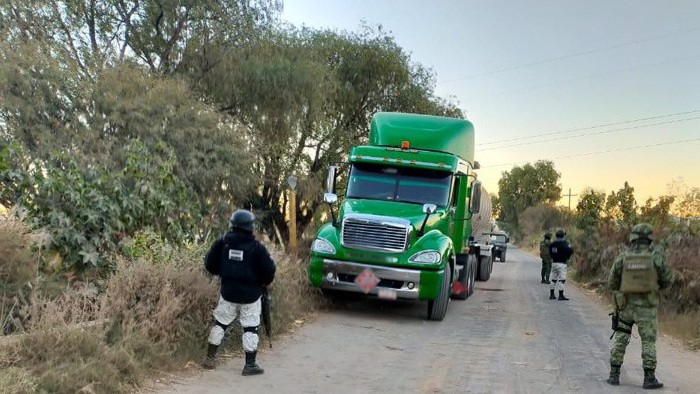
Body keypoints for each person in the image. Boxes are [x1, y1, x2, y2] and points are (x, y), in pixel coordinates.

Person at [202, 209, 276, 376]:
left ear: (232, 225)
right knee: (251, 328)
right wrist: (264, 282)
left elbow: (209, 264)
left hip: (228, 293)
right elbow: (270, 270)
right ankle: (250, 365)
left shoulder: (222, 243)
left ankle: (209, 359)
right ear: (251, 227)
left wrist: (224, 272)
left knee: (220, 323)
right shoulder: (257, 248)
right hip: (251, 296)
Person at [606, 223, 673, 389]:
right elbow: (668, 280)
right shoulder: (657, 257)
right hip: (647, 308)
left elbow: (612, 282)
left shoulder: (623, 257)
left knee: (620, 339)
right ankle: (649, 379)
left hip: (626, 307)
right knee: (648, 341)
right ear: (650, 238)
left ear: (633, 237)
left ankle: (614, 376)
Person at [548, 229, 574, 300]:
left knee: (553, 279)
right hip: (562, 263)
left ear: (556, 236)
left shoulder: (552, 244)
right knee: (561, 280)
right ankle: (561, 295)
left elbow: (550, 253)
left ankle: (552, 294)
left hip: (554, 263)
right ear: (563, 236)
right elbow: (570, 251)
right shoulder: (564, 244)